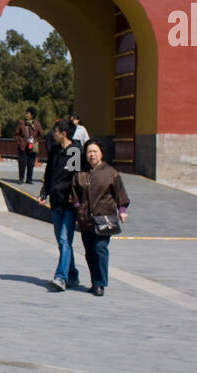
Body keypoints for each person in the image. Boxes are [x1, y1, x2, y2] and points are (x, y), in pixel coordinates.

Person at [70, 140, 130, 295]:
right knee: (89, 252)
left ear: (101, 153)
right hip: (86, 220)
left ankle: (100, 283)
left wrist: (122, 210)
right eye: (89, 152)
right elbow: (74, 194)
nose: (92, 155)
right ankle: (94, 281)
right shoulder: (80, 173)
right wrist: (78, 208)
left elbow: (120, 194)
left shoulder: (110, 172)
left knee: (100, 249)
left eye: (95, 151)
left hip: (104, 219)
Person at [39, 117, 83, 290]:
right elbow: (49, 173)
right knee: (62, 241)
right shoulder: (56, 150)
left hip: (69, 203)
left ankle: (61, 277)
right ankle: (73, 274)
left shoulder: (74, 152)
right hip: (55, 202)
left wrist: (61, 189)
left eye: (56, 131)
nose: (53, 134)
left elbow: (74, 178)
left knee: (65, 239)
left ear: (63, 133)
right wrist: (45, 191)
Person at [14, 107, 43, 185]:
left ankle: (29, 179)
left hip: (32, 146)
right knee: (22, 163)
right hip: (23, 146)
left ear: (32, 115)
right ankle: (21, 178)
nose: (26, 115)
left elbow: (41, 135)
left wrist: (35, 141)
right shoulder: (21, 123)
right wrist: (20, 142)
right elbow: (16, 134)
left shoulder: (37, 124)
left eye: (28, 113)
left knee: (31, 163)